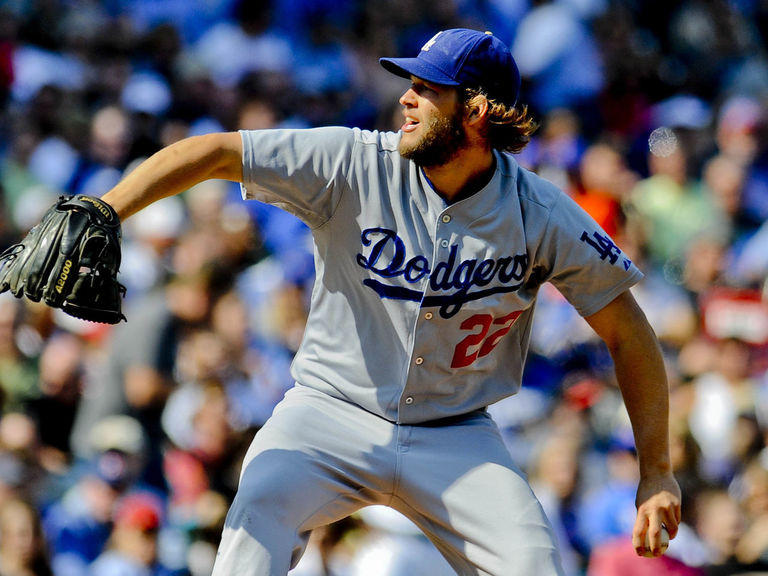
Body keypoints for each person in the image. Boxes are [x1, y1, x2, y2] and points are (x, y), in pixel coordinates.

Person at [98, 28, 680, 576]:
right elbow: (217, 152)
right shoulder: (354, 161)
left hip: (456, 435)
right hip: (329, 412)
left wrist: (656, 471)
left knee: (533, 563)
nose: (405, 99)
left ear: (476, 110)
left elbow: (629, 333)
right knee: (256, 517)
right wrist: (104, 211)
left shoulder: (540, 213)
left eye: (427, 90)